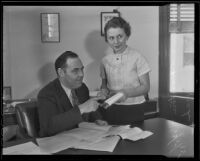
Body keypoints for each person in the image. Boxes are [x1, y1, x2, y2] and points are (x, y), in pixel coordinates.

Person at [37, 51, 107, 137]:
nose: (81, 74)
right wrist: (81, 108)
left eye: (81, 69)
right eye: (75, 71)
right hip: (58, 143)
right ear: (61, 73)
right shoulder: (46, 94)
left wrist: (97, 119)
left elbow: (90, 110)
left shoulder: (82, 88)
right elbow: (49, 127)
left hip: (81, 138)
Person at [98, 17, 151, 124]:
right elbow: (104, 85)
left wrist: (126, 93)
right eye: (111, 38)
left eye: (120, 36)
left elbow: (146, 87)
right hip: (112, 108)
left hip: (134, 108)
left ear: (127, 35)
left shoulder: (137, 57)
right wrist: (103, 91)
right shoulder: (104, 61)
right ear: (107, 40)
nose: (116, 42)